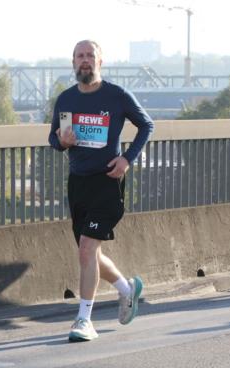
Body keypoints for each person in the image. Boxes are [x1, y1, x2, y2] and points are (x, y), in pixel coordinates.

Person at [49, 40, 154, 342]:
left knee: (86, 249)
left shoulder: (116, 95)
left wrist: (127, 159)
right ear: (73, 62)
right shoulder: (66, 99)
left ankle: (84, 319)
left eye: (90, 56)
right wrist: (63, 142)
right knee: (89, 252)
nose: (85, 61)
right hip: (78, 181)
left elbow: (146, 125)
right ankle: (127, 288)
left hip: (108, 180)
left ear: (100, 62)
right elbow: (53, 139)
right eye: (80, 56)